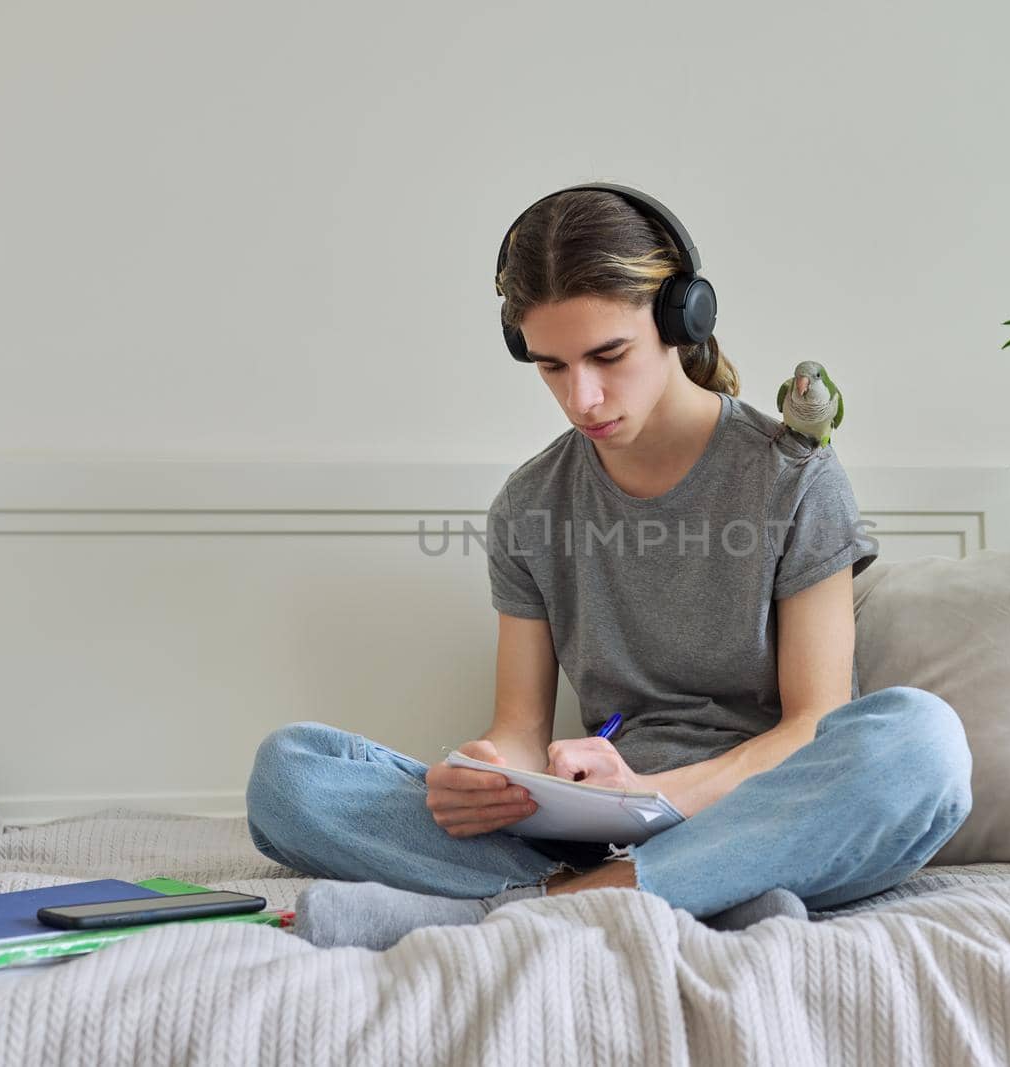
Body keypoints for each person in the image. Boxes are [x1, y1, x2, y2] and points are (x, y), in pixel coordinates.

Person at [245, 184, 973, 951]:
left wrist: (658, 791)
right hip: (591, 831)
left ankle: (547, 905)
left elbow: (811, 727)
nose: (581, 397)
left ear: (679, 321)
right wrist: (490, 774)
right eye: (551, 366)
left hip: (765, 812)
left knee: (921, 743)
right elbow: (521, 728)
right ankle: (665, 897)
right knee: (289, 774)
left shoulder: (795, 479)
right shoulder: (529, 504)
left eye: (607, 355)